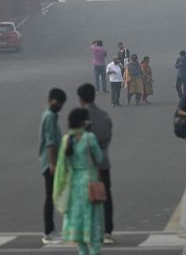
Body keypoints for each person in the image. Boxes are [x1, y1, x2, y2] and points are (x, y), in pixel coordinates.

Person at [53, 108, 105, 255]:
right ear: (84, 122)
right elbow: (99, 159)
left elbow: (64, 165)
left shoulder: (66, 139)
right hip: (90, 182)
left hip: (74, 185)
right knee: (93, 228)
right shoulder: (89, 138)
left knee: (79, 228)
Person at [77, 84, 117, 245]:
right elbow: (108, 136)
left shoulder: (80, 117)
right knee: (105, 196)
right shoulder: (104, 115)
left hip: (86, 164)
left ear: (81, 98)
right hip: (103, 162)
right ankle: (107, 230)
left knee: (86, 198)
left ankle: (88, 229)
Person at [40, 88, 67, 244]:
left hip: (50, 162)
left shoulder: (50, 114)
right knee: (50, 198)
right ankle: (48, 232)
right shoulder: (50, 116)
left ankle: (51, 230)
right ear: (51, 100)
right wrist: (52, 164)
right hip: (50, 164)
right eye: (59, 103)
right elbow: (50, 142)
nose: (60, 106)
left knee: (52, 197)